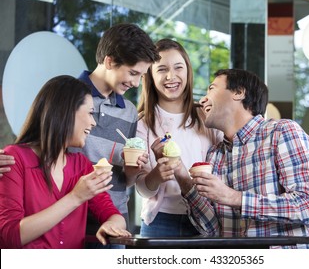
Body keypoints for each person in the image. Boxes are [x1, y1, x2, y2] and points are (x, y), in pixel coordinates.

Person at [173, 69, 309, 249]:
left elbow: (306, 205)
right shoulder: (215, 155)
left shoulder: (282, 132)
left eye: (211, 89)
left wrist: (234, 197)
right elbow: (212, 230)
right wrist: (182, 178)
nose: (203, 100)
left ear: (239, 92)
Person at [0, 75, 131, 249]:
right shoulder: (14, 159)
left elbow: (114, 215)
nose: (93, 123)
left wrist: (111, 224)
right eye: (90, 113)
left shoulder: (82, 166)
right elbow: (10, 237)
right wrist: (76, 197)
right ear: (66, 112)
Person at [70, 23, 160, 248]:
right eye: (133, 73)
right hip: (70, 214)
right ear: (109, 61)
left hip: (114, 221)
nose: (136, 83)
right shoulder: (67, 96)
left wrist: (132, 172)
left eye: (141, 76)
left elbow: (126, 179)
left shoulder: (129, 111)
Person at [135, 39, 222, 237]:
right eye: (162, 69)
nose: (171, 76)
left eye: (178, 67)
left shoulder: (206, 116)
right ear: (150, 76)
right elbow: (143, 190)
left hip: (207, 217)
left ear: (188, 71)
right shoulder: (143, 123)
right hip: (160, 221)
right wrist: (158, 173)